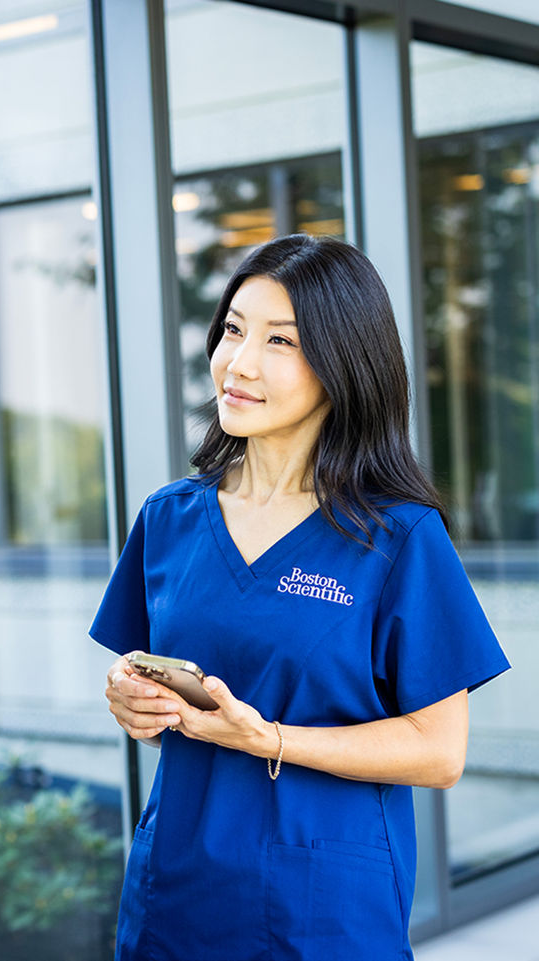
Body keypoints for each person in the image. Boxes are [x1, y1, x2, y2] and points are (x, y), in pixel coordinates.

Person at [94, 234, 510, 960]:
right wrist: (132, 698)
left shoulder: (398, 537)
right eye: (233, 329)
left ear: (342, 365)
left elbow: (440, 751)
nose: (239, 362)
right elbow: (147, 679)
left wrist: (272, 739)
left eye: (280, 340)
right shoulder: (170, 517)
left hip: (322, 916)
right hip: (176, 899)